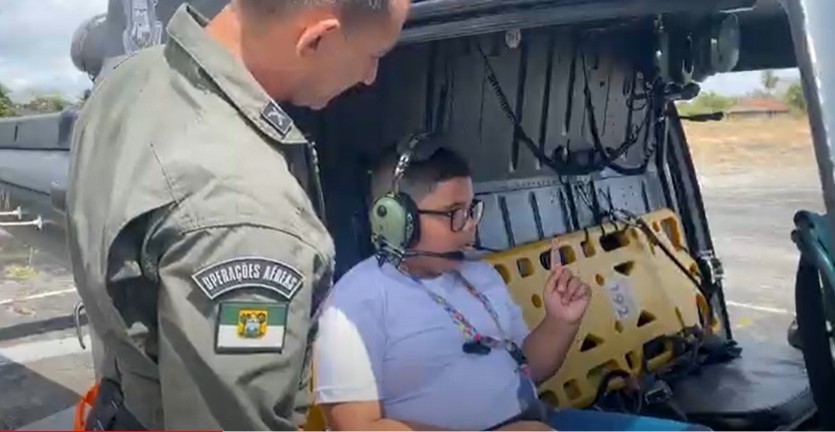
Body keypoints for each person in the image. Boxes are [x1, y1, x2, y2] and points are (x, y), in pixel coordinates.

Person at [65, 0, 409, 430]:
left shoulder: (127, 80)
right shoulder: (249, 215)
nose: (371, 76)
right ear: (316, 39)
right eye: (373, 55)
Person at [312, 135, 711, 431]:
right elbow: (358, 428)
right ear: (395, 221)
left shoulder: (477, 274)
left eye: (471, 210)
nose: (469, 227)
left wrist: (560, 321)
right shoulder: (356, 303)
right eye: (453, 213)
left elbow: (530, 369)